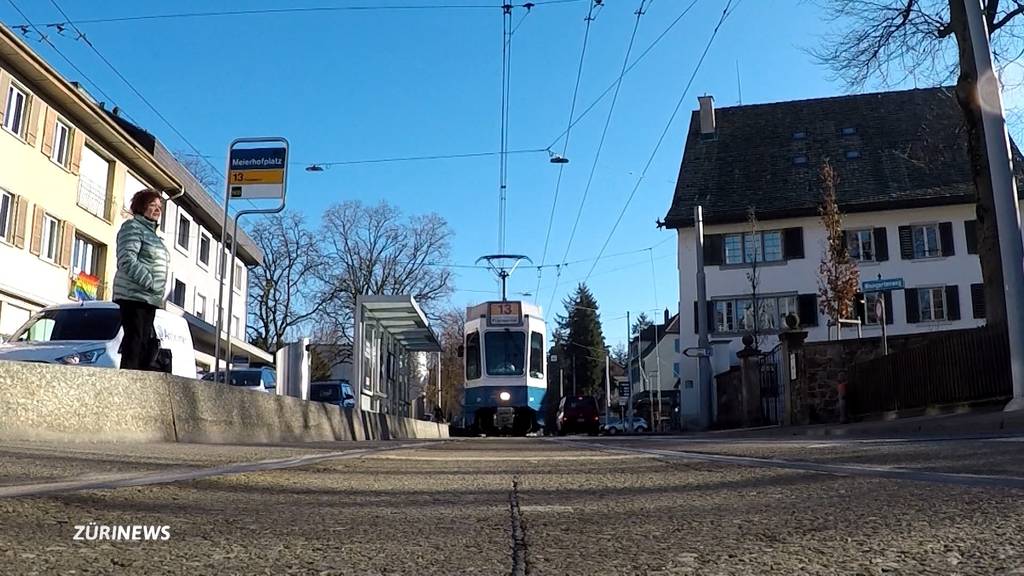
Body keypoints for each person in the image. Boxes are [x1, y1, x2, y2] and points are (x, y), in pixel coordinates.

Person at [113, 190, 169, 370]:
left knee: (144, 343)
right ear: (141, 206)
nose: (157, 210)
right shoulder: (132, 227)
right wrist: (150, 282)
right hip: (134, 295)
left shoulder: (153, 235)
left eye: (159, 206)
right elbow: (127, 259)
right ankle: (130, 385)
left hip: (148, 298)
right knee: (135, 342)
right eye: (153, 205)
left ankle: (140, 384)